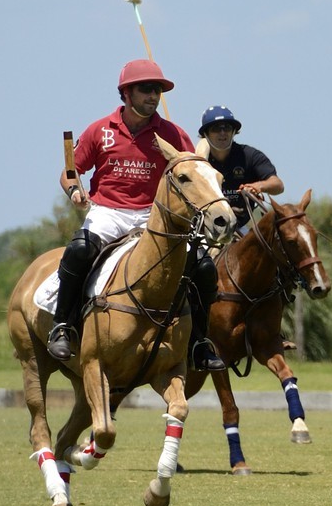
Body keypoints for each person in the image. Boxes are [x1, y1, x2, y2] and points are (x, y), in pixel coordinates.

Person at [47, 60, 227, 372]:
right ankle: (63, 326)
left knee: (203, 266)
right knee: (78, 251)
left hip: (153, 217)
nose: (154, 95)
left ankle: (199, 342)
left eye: (157, 90)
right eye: (146, 89)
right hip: (109, 212)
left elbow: (195, 170)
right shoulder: (100, 130)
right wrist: (74, 190)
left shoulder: (172, 134)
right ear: (127, 94)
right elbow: (70, 171)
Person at [197, 105, 284, 231]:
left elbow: (278, 185)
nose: (222, 133)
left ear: (234, 131)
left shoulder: (250, 155)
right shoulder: (198, 162)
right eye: (216, 128)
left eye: (227, 128)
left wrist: (258, 186)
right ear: (206, 134)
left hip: (239, 229)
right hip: (204, 230)